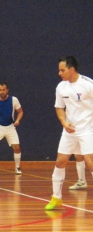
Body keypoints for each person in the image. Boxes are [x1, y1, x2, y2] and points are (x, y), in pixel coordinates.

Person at [45, 56, 93, 210]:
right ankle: (56, 198)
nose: (59, 73)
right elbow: (59, 107)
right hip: (69, 130)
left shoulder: (88, 85)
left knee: (90, 161)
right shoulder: (61, 87)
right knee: (60, 161)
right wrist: (64, 123)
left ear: (71, 69)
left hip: (87, 129)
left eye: (62, 70)